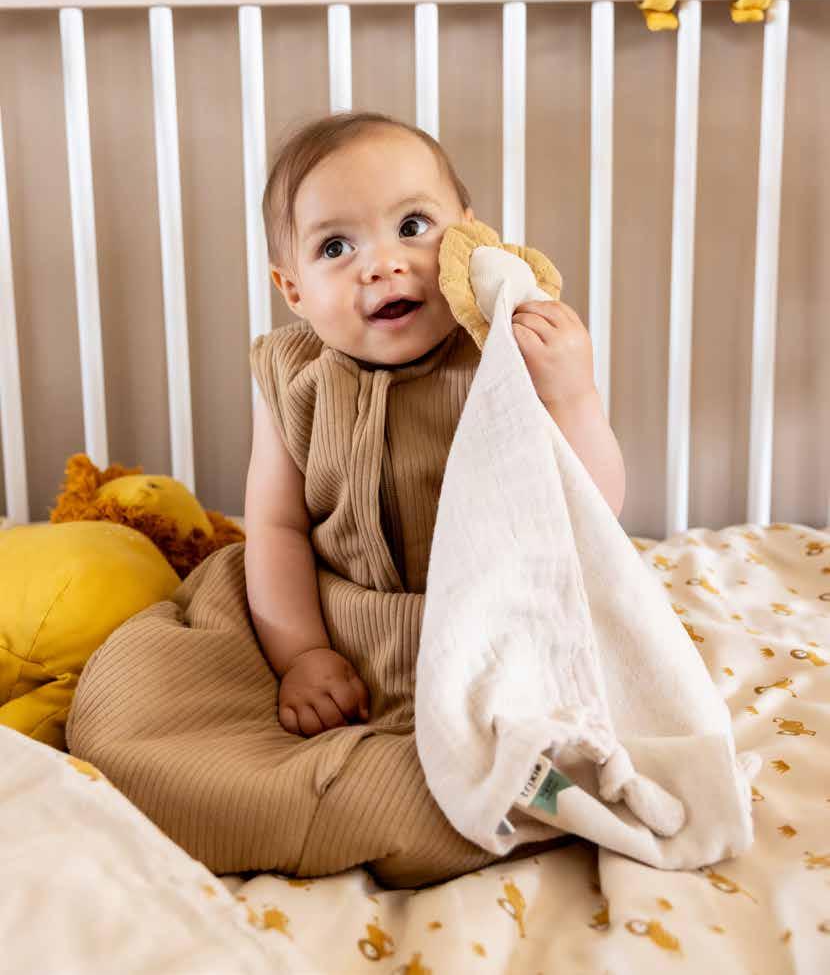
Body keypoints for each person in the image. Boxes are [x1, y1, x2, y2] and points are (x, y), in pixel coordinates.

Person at [245, 110, 626, 745]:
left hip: (504, 623)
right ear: (293, 289)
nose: (382, 264)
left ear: (469, 239)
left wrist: (573, 395)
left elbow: (596, 513)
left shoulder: (505, 352)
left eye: (412, 227)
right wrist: (302, 655)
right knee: (157, 686)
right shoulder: (289, 375)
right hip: (342, 624)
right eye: (335, 247)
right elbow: (275, 528)